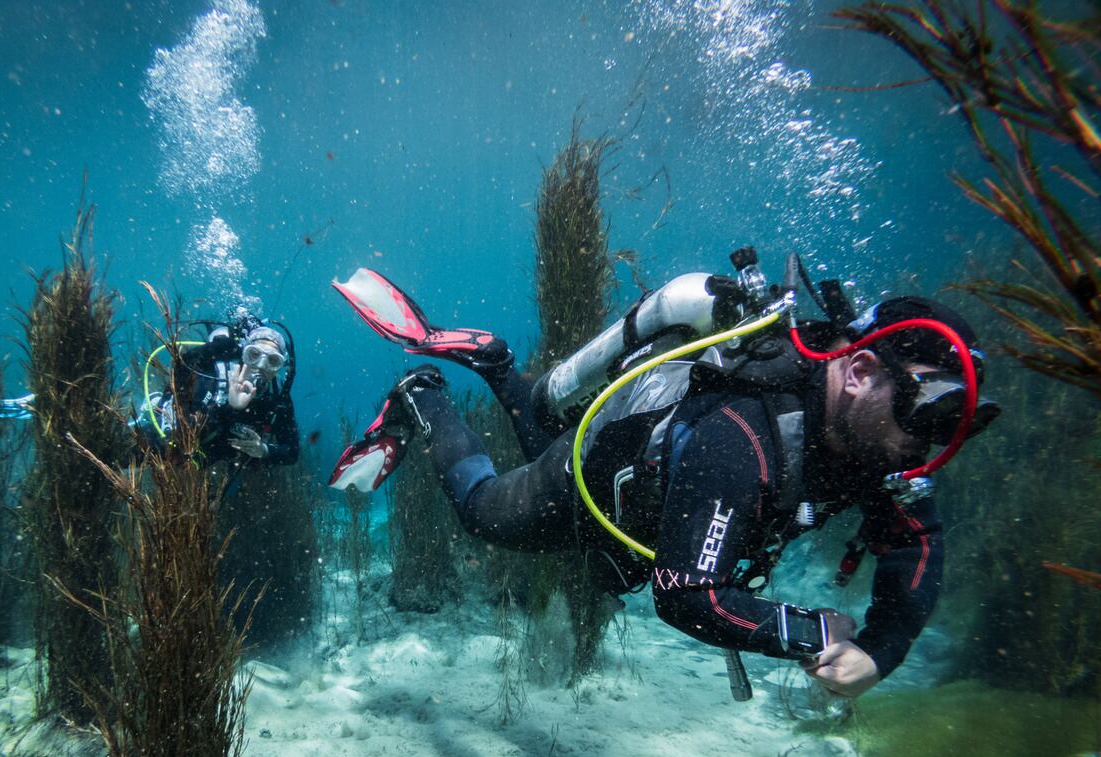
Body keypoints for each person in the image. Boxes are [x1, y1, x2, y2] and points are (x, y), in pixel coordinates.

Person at [328, 256, 1000, 699]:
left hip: (622, 457)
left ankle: (499, 365)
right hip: (598, 477)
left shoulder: (879, 447)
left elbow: (916, 544)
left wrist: (882, 649)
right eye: (926, 412)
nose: (928, 443)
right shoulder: (743, 439)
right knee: (487, 511)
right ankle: (422, 393)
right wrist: (810, 633)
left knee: (560, 441)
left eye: (953, 425)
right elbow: (687, 595)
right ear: (858, 374)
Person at [138, 309, 300, 470]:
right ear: (243, 353)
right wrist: (232, 406)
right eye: (254, 354)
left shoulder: (278, 399)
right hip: (185, 445)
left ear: (280, 367)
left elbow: (292, 452)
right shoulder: (216, 378)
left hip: (217, 457)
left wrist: (264, 450)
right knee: (141, 447)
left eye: (273, 361)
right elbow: (190, 427)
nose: (260, 365)